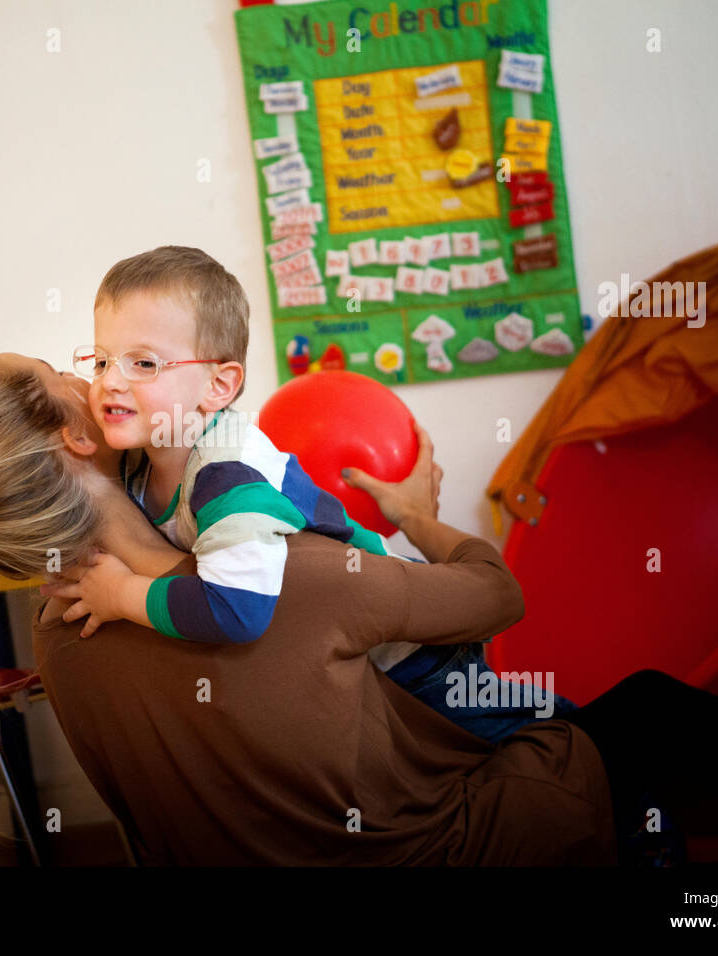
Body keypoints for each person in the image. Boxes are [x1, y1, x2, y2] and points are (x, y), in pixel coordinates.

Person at [0, 353, 718, 865]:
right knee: (641, 714)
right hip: (448, 848)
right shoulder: (272, 574)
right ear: (73, 437)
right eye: (70, 374)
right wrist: (419, 517)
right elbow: (496, 594)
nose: (102, 382)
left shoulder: (62, 637)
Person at [67, 245, 570, 742]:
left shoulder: (228, 471)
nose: (110, 381)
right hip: (348, 661)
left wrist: (122, 595)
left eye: (144, 364)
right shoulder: (136, 465)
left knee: (538, 732)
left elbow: (237, 610)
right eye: (103, 360)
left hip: (415, 656)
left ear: (218, 386)